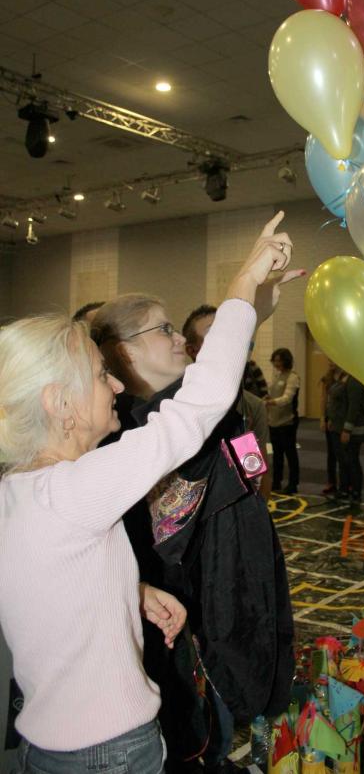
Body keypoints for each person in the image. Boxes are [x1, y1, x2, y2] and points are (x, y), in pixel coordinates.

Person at [0, 213, 293, 774]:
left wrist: (126, 590)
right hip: (108, 752)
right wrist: (243, 282)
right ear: (59, 404)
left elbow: (48, 585)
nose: (114, 383)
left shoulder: (22, 490)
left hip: (52, 745)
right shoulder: (74, 492)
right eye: (97, 374)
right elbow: (195, 408)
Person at [91, 225, 301, 772]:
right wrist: (243, 293)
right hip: (190, 612)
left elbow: (244, 459)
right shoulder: (132, 432)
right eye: (163, 328)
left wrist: (253, 305)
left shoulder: (184, 406)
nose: (179, 337)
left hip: (238, 573)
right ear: (122, 352)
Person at [182, 304, 272, 499]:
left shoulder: (249, 406)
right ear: (192, 349)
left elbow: (256, 472)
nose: (226, 337)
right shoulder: (176, 403)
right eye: (214, 332)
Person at [326, 371, 364, 507]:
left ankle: (356, 492)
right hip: (339, 426)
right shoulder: (341, 377)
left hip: (352, 429)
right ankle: (344, 489)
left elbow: (354, 406)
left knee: (352, 460)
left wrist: (347, 429)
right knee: (343, 460)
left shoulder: (354, 379)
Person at [266, 348, 300, 494]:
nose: (276, 363)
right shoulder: (277, 375)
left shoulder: (293, 377)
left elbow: (287, 399)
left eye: (279, 360)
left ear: (286, 361)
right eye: (275, 360)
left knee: (290, 454)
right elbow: (271, 394)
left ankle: (293, 483)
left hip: (287, 422)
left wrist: (271, 402)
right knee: (277, 454)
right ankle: (277, 482)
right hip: (274, 421)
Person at [319, 360, 342, 496]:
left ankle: (346, 483)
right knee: (331, 453)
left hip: (340, 419)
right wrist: (322, 418)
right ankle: (331, 481)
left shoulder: (345, 379)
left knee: (342, 453)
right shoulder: (327, 379)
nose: (330, 363)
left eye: (333, 360)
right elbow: (323, 399)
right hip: (329, 418)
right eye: (328, 361)